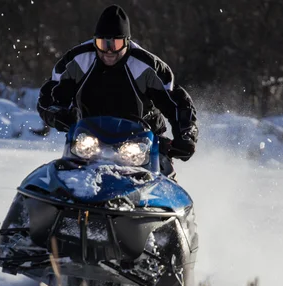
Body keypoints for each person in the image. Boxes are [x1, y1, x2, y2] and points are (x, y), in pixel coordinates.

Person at [37, 4, 199, 172]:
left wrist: (185, 136)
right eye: (102, 44)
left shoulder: (147, 67)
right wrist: (57, 114)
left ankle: (164, 191)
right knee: (64, 170)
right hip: (88, 141)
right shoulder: (77, 61)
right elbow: (49, 96)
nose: (108, 51)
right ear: (95, 41)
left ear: (127, 42)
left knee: (164, 168)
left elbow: (178, 102)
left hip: (141, 146)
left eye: (115, 44)